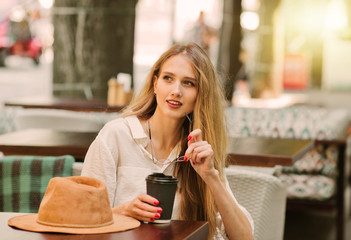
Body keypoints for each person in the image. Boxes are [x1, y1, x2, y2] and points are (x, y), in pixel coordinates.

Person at [81, 42, 254, 240]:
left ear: (201, 94)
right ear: (155, 83)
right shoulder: (116, 136)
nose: (176, 91)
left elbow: (244, 237)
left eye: (188, 83)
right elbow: (83, 221)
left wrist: (211, 177)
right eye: (168, 78)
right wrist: (124, 211)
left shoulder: (198, 150)